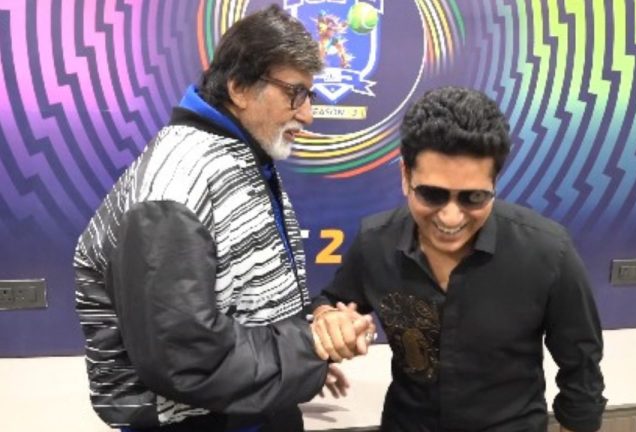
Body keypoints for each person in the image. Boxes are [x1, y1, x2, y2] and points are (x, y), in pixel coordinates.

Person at [73, 5, 372, 432]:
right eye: (295, 94)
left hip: (249, 408)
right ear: (239, 88)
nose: (307, 114)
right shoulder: (174, 186)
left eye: (310, 95)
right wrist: (309, 352)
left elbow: (250, 302)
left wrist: (306, 355)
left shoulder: (239, 155)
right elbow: (186, 357)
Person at [311, 86, 607, 431]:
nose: (451, 217)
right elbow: (330, 303)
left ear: (495, 184)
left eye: (473, 197)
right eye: (432, 194)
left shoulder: (548, 252)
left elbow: (582, 376)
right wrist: (329, 319)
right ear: (405, 176)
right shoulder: (375, 241)